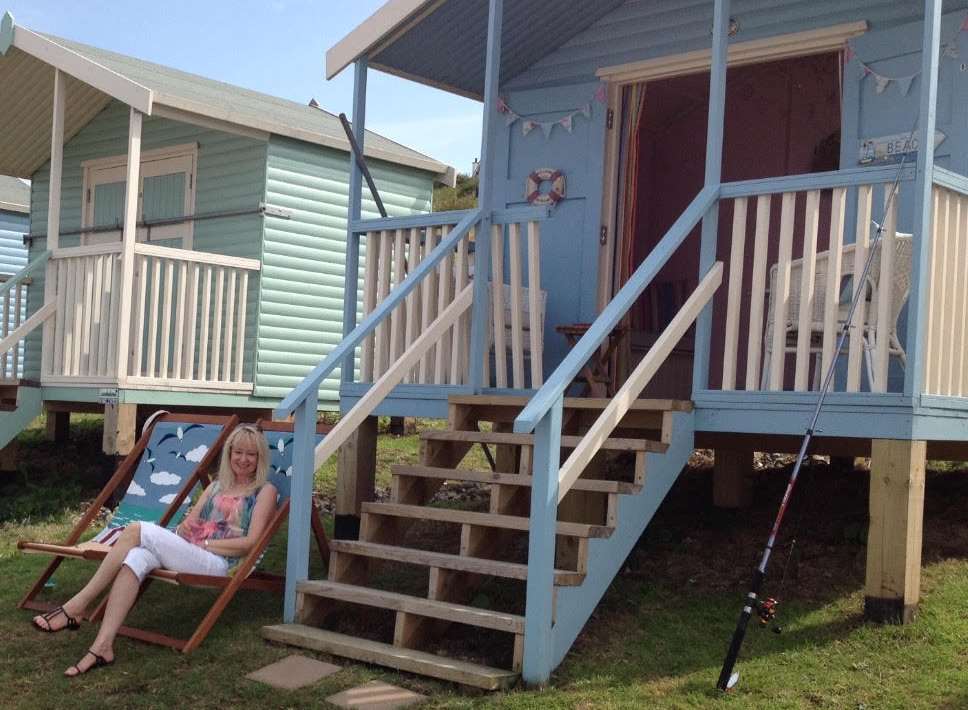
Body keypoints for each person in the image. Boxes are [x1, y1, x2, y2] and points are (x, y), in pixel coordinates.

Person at [31, 424, 278, 677]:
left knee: (137, 529)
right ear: (229, 453)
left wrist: (204, 543)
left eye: (251, 454)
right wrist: (186, 532)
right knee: (136, 558)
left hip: (218, 564)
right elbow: (186, 526)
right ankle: (103, 646)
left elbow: (251, 542)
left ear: (260, 458)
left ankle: (78, 605)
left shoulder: (264, 491)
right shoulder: (215, 486)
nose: (243, 459)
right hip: (192, 552)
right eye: (238, 452)